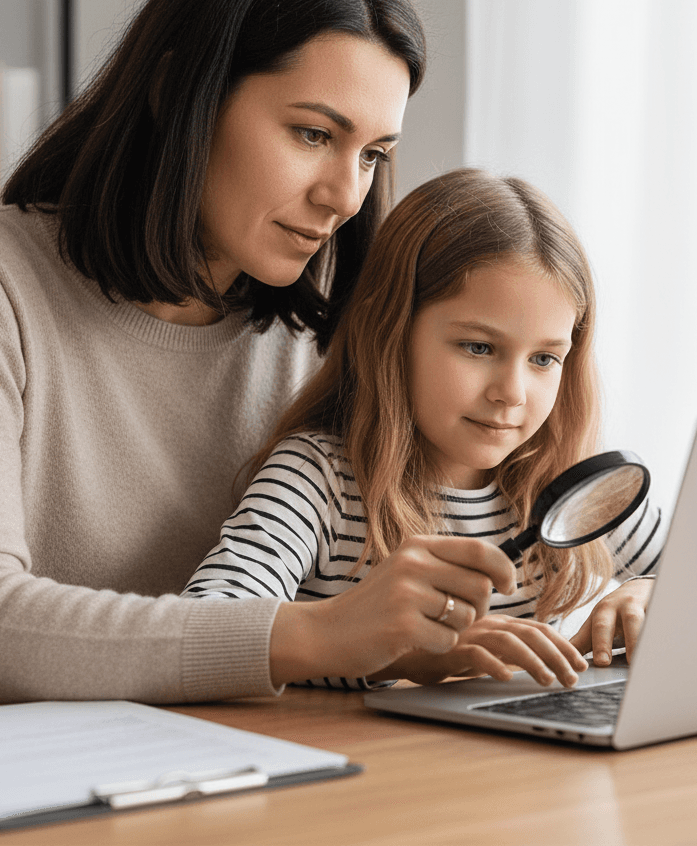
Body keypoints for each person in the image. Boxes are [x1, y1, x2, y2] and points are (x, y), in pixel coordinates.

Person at [0, 0, 516, 707]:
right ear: (178, 92)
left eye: (374, 154)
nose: (345, 196)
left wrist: (619, 601)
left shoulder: (321, 340)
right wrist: (312, 636)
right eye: (314, 133)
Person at [184, 168, 665, 690]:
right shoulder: (319, 478)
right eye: (479, 348)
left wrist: (651, 593)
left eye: (544, 359)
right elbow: (204, 630)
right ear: (389, 332)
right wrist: (397, 656)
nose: (512, 392)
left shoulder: (566, 483)